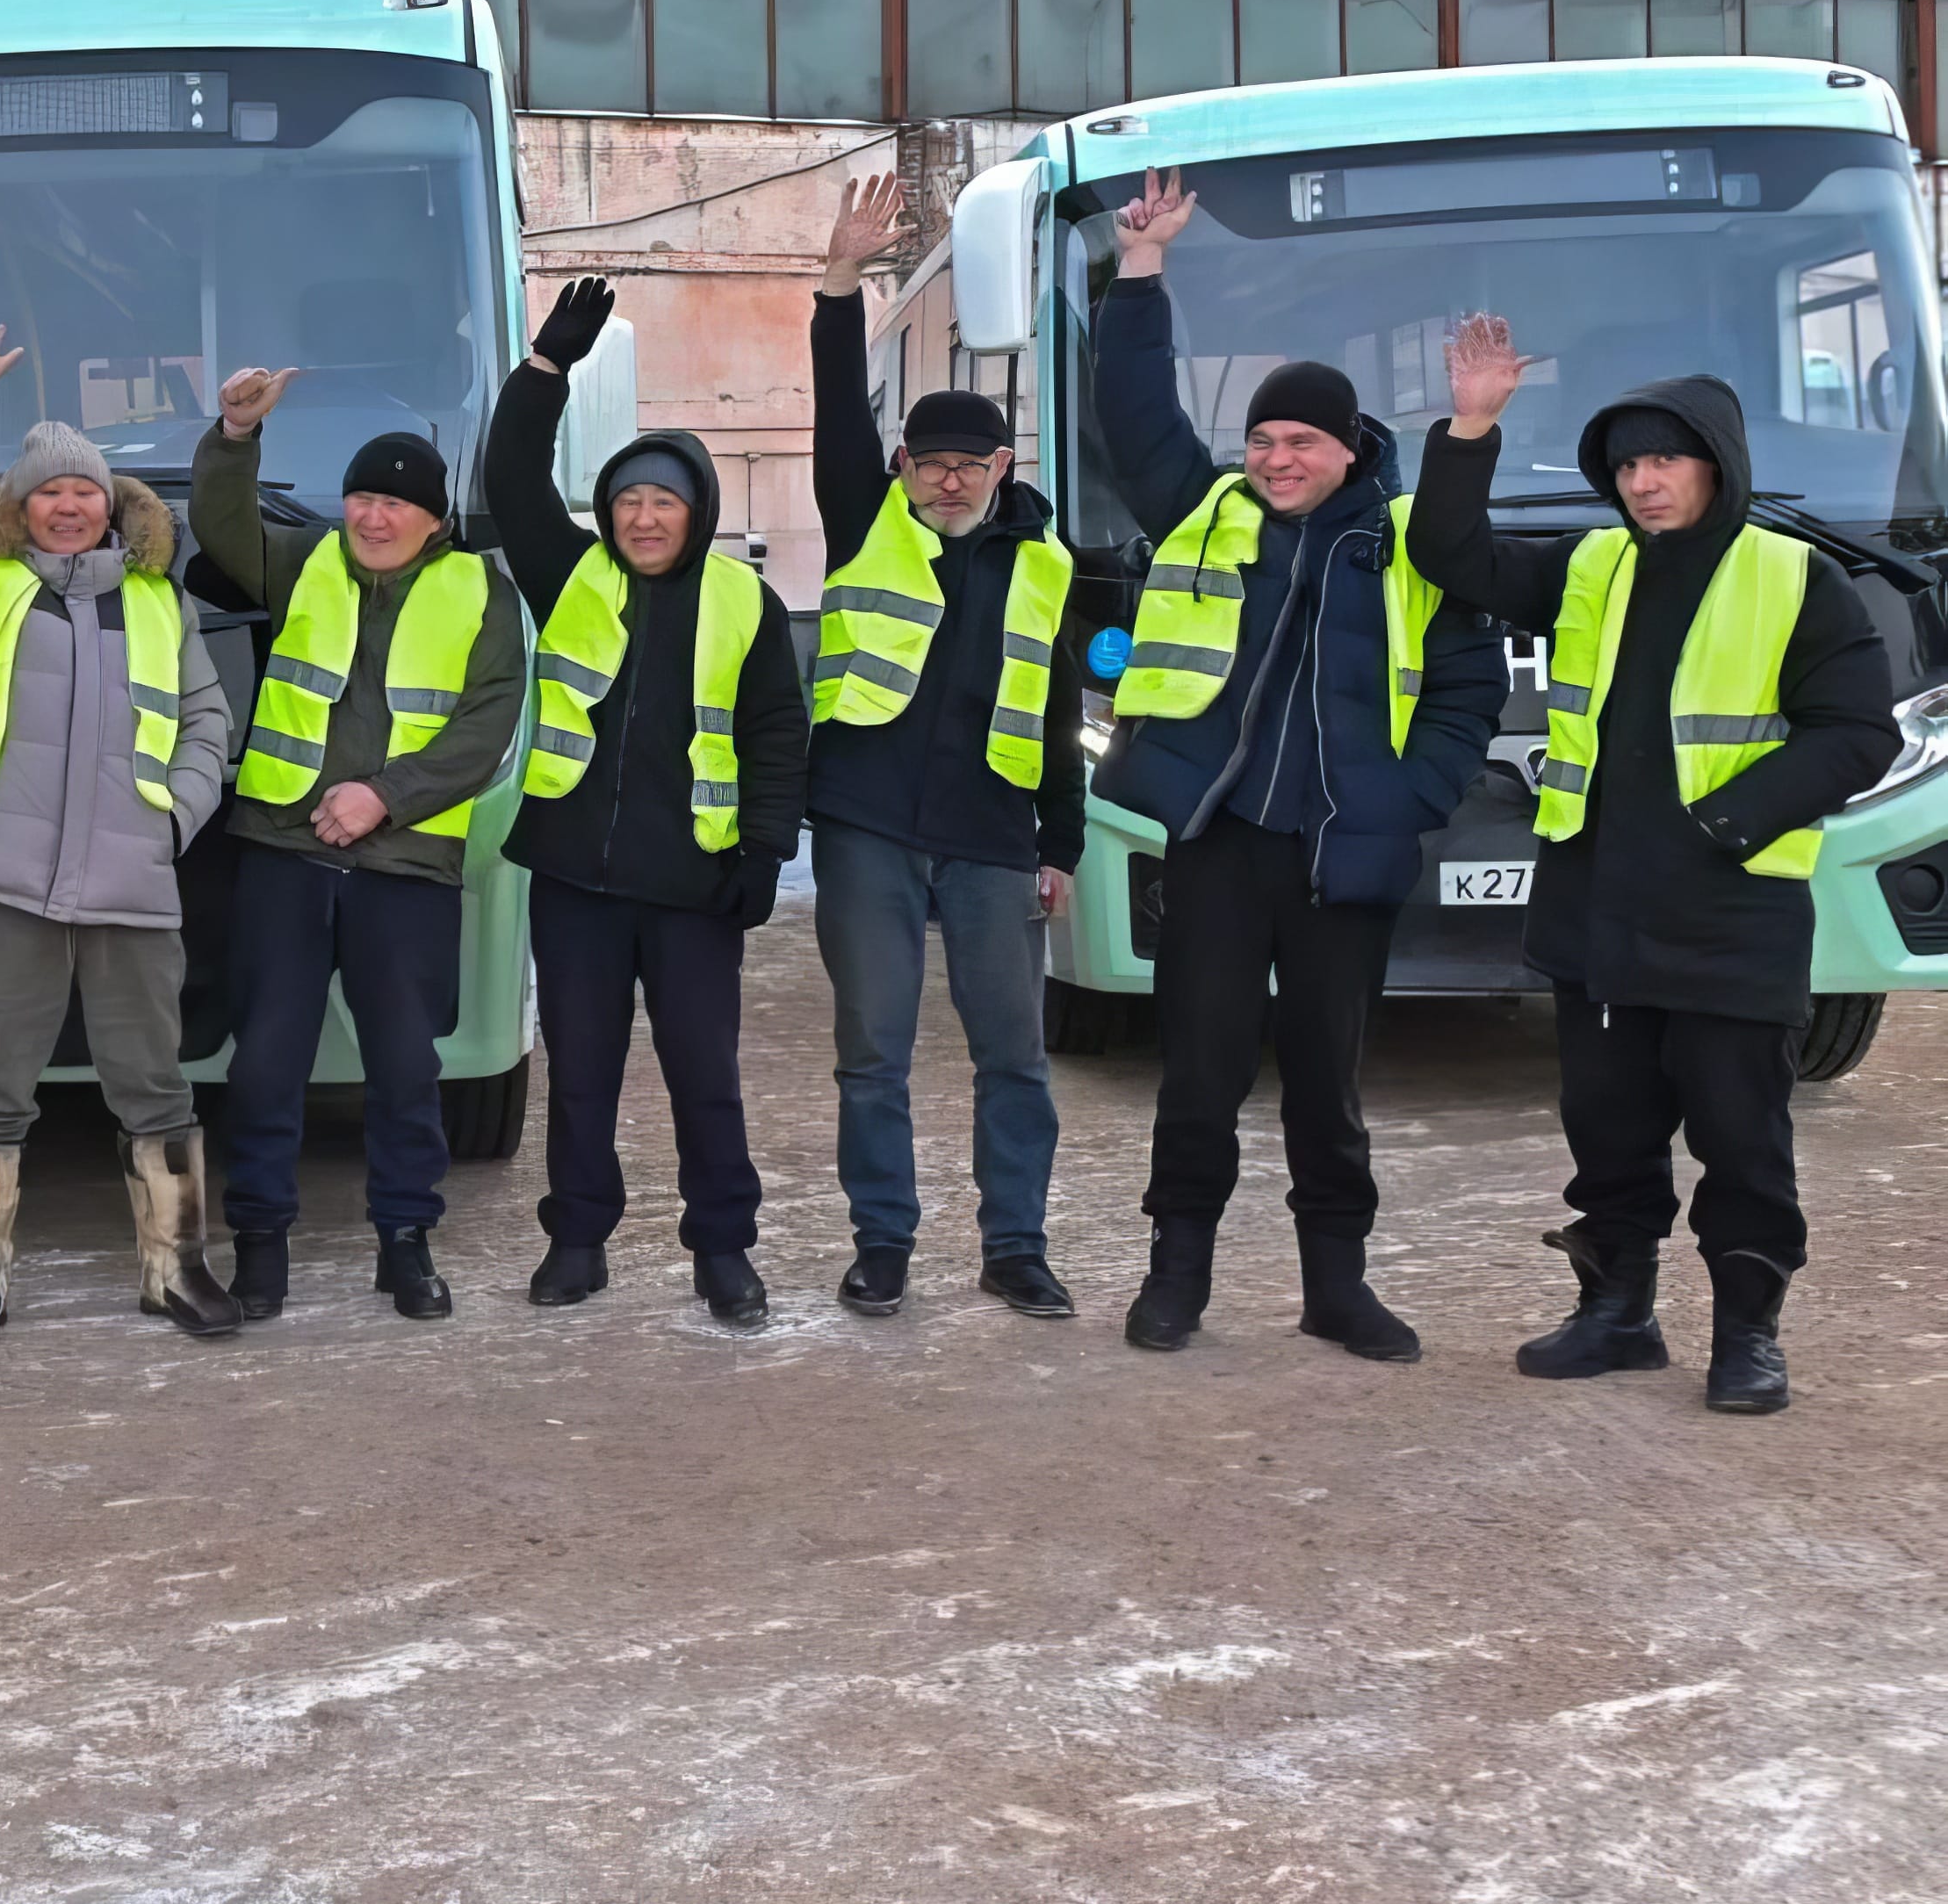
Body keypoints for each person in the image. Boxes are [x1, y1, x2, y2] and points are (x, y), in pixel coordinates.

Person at [1416, 318, 1894, 1413]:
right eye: (1627, 465)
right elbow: (1451, 555)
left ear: (1715, 464)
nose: (1642, 482)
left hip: (1730, 917)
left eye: (1664, 459)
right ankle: (1617, 1314)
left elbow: (1855, 733)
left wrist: (1726, 820)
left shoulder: (1795, 577)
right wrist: (1472, 427)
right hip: (1596, 915)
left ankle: (1746, 1337)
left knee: (1742, 1142)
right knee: (1609, 1138)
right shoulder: (1591, 565)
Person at [1092, 171, 1503, 1361]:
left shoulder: (1411, 545)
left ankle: (1336, 1287)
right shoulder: (1203, 510)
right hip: (1220, 843)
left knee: (1328, 1086)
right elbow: (1136, 417)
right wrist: (1141, 270)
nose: (1276, 459)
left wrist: (1408, 798)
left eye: (1300, 442)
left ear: (1345, 447)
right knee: (1199, 1077)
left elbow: (1467, 690)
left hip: (1344, 853)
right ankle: (1176, 1275)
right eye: (1263, 440)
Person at [0, 330, 240, 1346]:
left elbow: (207, 721)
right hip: (10, 882)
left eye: (84, 492)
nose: (68, 506)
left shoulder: (161, 604)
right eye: (47, 494)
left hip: (132, 882)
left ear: (112, 506)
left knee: (154, 1083)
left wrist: (173, 817)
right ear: (17, 510)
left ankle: (178, 1268)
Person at [804, 177, 1087, 1322]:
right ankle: (882, 1244)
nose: (951, 478)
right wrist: (838, 284)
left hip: (991, 835)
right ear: (904, 467)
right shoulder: (860, 523)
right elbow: (836, 413)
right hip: (867, 826)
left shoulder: (1045, 564)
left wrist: (1060, 844)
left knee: (1012, 1055)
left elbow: (1056, 711)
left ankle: (1015, 1247)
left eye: (972, 461)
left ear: (1004, 465)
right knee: (872, 1050)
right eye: (931, 461)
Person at [498, 278, 808, 1320]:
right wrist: (547, 368)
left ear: (696, 512)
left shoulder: (745, 601)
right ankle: (576, 1240)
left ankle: (722, 1250)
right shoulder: (569, 574)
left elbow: (776, 734)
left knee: (703, 1080)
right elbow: (511, 475)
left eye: (663, 501)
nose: (642, 517)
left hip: (693, 887)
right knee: (581, 1076)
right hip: (574, 879)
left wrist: (762, 853)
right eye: (627, 500)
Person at [192, 365, 524, 1320]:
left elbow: (485, 725)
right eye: (361, 498)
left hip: (404, 865)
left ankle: (405, 1242)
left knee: (405, 1069)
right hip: (283, 851)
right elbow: (221, 524)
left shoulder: (481, 593)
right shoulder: (304, 559)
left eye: (394, 504)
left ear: (434, 520)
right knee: (264, 1064)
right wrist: (235, 436)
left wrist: (384, 797)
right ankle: (260, 1245)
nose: (373, 518)